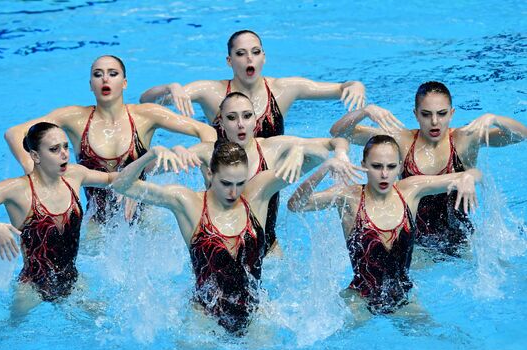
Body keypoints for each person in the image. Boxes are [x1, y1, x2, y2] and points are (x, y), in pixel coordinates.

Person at [112, 140, 345, 334]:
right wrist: (149, 155)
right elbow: (121, 186)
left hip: (255, 315)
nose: (234, 192)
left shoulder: (257, 194)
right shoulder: (188, 203)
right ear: (210, 174)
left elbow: (319, 156)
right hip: (204, 319)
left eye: (240, 183)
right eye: (225, 183)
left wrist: (297, 150)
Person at [4, 55, 217, 225]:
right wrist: (33, 170)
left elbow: (207, 131)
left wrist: (204, 169)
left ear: (124, 83)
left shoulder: (145, 116)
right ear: (91, 85)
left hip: (144, 219)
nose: (105, 79)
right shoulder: (75, 118)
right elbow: (14, 133)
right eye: (98, 75)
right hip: (97, 225)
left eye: (112, 74)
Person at [0, 122, 156, 319]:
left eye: (65, 147)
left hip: (73, 281)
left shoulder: (73, 175)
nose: (64, 154)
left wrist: (130, 184)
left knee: (108, 320)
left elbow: (112, 179)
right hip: (32, 289)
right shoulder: (16, 190)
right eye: (54, 149)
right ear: (35, 156)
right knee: (10, 329)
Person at [288, 135, 482, 315]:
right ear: (363, 165)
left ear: (399, 167)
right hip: (360, 300)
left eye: (390, 167)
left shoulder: (410, 190)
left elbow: (474, 173)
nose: (384, 174)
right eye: (376, 166)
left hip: (404, 296)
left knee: (442, 337)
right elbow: (295, 205)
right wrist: (325, 167)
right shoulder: (348, 197)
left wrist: (467, 177)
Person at [330, 81, 526, 254]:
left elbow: (520, 135)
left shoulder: (464, 139)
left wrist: (495, 119)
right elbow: (339, 132)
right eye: (426, 114)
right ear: (416, 114)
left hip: (463, 241)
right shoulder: (402, 141)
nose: (434, 122)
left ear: (452, 113)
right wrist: (364, 111)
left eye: (441, 114)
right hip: (418, 247)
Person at [180, 92, 356, 253]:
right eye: (232, 118)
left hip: (268, 254)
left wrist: (303, 149)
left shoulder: (272, 149)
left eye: (247, 116)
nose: (241, 124)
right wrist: (174, 152)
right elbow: (169, 162)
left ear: (255, 119)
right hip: (219, 252)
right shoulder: (207, 153)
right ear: (221, 122)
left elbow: (336, 142)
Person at [140, 30, 366, 138]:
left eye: (255, 52)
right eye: (241, 53)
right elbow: (146, 101)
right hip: (224, 190)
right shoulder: (211, 92)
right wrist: (171, 87)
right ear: (229, 61)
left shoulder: (283, 89)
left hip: (266, 189)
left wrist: (355, 84)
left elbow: (340, 88)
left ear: (264, 57)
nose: (249, 58)